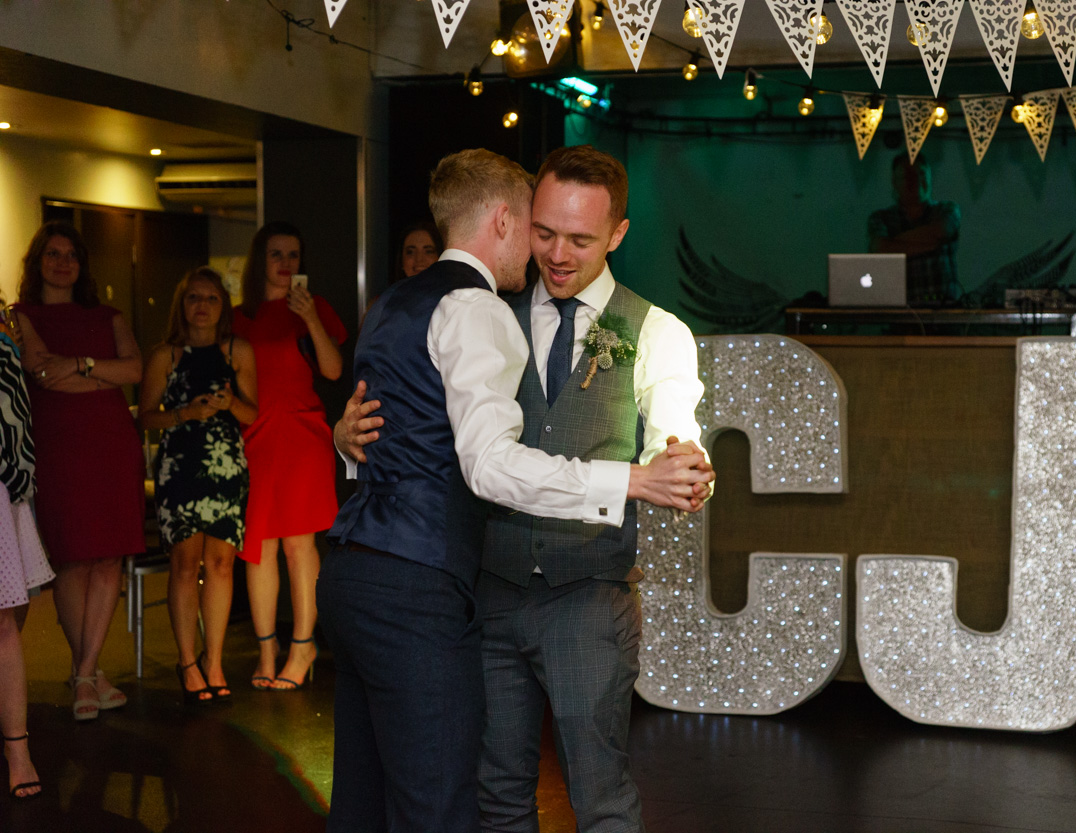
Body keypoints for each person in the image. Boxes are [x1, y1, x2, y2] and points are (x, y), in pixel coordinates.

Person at [323, 147, 713, 833]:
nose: (558, 254)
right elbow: (414, 415)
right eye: (545, 232)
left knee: (600, 795)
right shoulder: (478, 310)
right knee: (493, 793)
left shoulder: (656, 330)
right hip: (484, 592)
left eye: (581, 239)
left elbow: (673, 429)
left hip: (587, 596)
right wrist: (344, 437)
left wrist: (676, 460)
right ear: (520, 221)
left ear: (618, 234)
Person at [12, 221, 144, 722]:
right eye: (52, 253)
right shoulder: (20, 315)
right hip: (60, 447)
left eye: (70, 254)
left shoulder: (108, 315)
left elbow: (133, 371)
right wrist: (98, 373)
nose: (62, 262)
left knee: (108, 558)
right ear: (37, 261)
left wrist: (81, 365)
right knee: (72, 559)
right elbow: (41, 371)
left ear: (81, 264)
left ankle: (84, 673)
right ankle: (88, 674)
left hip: (112, 447)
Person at [232, 221, 347, 692]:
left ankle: (303, 645)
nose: (285, 263)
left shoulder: (313, 308)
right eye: (277, 254)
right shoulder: (237, 316)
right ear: (260, 259)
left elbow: (334, 370)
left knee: (301, 546)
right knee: (258, 548)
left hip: (302, 435)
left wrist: (311, 319)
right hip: (252, 437)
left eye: (294, 255)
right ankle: (266, 649)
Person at [137, 267, 257, 704]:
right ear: (181, 306)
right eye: (193, 298)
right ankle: (187, 660)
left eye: (210, 298)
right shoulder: (165, 355)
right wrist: (185, 414)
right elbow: (144, 417)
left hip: (227, 466)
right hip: (180, 466)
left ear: (223, 305)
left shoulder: (237, 349)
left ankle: (214, 659)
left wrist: (230, 404)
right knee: (186, 564)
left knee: (222, 564)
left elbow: (252, 414)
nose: (202, 306)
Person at [0, 302, 54, 799]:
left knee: (6, 618)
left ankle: (18, 749)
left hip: (0, 483)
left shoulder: (3, 334)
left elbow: (15, 412)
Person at [867, 152, 962, 306]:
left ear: (930, 177)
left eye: (921, 174)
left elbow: (941, 231)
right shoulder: (880, 218)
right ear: (894, 182)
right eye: (908, 176)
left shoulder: (947, 209)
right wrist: (932, 244)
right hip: (900, 316)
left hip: (943, 313)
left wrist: (893, 244)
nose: (916, 181)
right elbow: (880, 248)